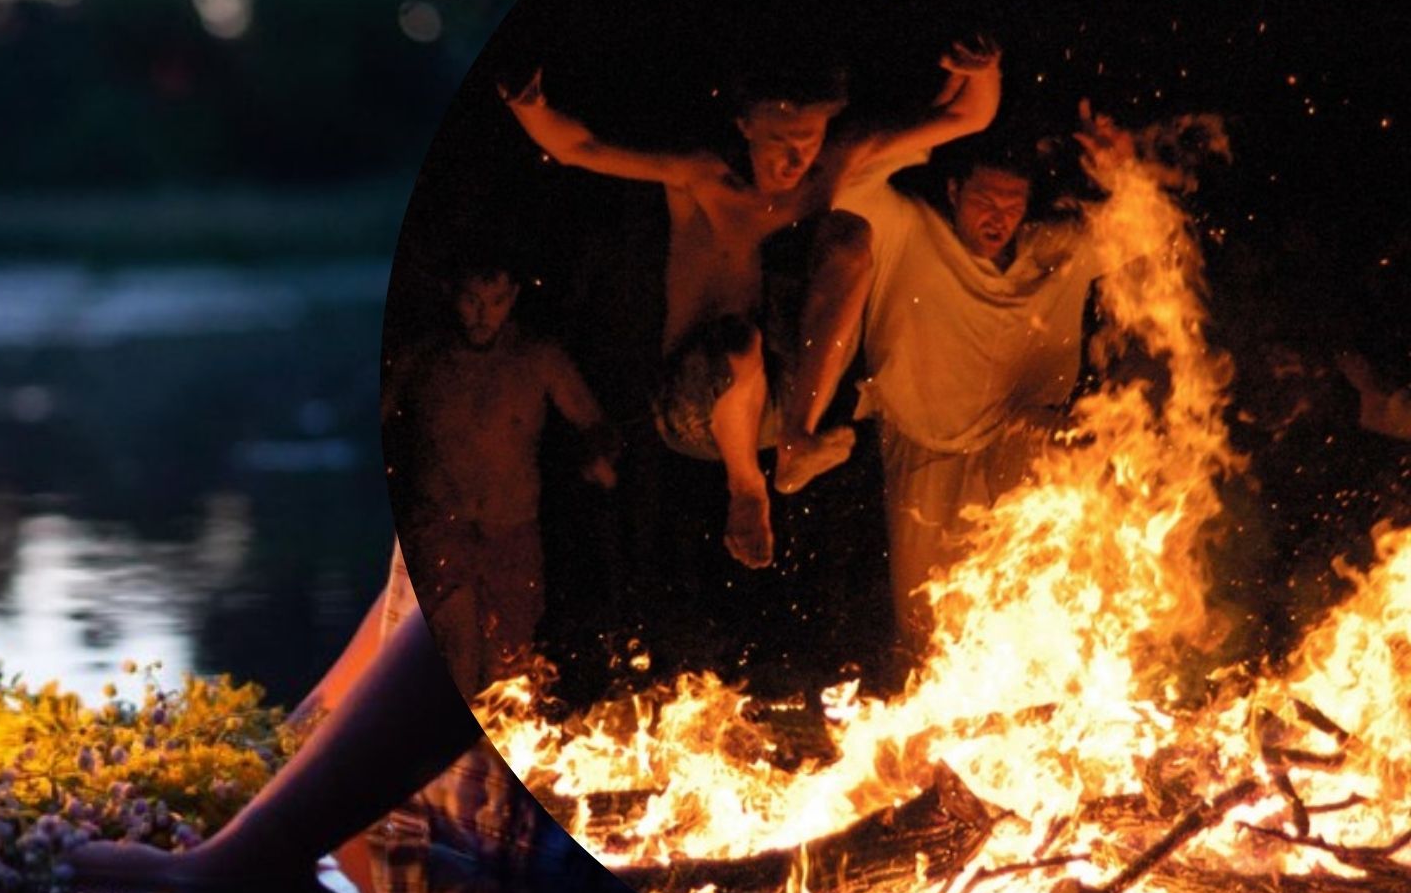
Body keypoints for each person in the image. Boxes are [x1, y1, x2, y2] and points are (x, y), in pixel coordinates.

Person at [74, 0, 687, 893]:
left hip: (564, 863)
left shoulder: (624, 108)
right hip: (481, 841)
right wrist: (271, 763)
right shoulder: (560, 73)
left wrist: (238, 859)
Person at [502, 38, 1002, 569]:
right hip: (695, 406)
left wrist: (986, 69)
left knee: (850, 236)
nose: (795, 158)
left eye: (808, 140)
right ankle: (746, 489)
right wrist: (527, 104)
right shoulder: (703, 179)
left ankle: (796, 443)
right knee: (738, 342)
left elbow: (970, 114)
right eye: (780, 141)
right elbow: (579, 148)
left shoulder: (834, 162)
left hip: (785, 396)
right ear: (746, 128)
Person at [775, 101, 1122, 657]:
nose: (997, 217)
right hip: (926, 443)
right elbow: (846, 176)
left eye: (1011, 206)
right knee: (930, 637)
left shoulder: (1055, 254)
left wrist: (1120, 169)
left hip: (1021, 434)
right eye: (985, 200)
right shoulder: (908, 229)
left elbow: (1145, 229)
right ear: (955, 192)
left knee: (1064, 513)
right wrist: (938, 125)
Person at [385, 261, 618, 696]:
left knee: (509, 670)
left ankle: (497, 757)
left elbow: (594, 423)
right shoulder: (423, 360)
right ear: (452, 295)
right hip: (441, 529)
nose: (481, 315)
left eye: (494, 302)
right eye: (472, 300)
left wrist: (597, 458)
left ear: (511, 299)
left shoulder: (538, 358)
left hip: (512, 533)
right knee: (454, 653)